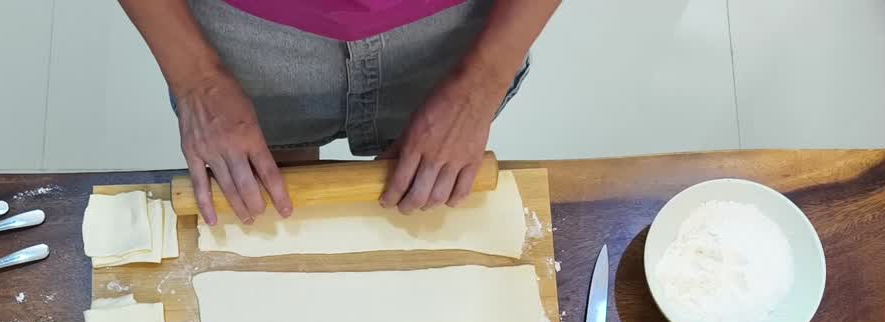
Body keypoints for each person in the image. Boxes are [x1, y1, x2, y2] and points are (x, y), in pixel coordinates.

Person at [119, 0, 561, 225]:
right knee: (267, 217)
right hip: (247, 27)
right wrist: (198, 79)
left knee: (417, 214)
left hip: (444, 27)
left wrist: (480, 84)